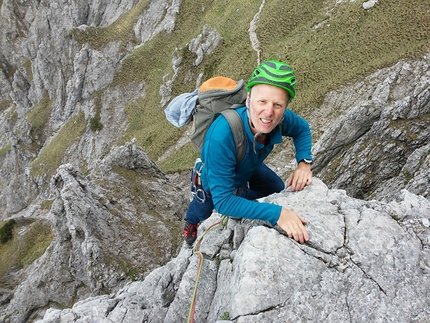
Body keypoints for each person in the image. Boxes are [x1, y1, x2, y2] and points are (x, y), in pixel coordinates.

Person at [183, 60, 313, 246]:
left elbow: (302, 129)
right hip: (218, 173)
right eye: (262, 101)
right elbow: (223, 203)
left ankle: (242, 194)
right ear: (248, 100)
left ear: (285, 107)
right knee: (204, 208)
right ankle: (190, 222)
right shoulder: (221, 136)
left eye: (277, 105)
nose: (268, 112)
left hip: (247, 164)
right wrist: (277, 213)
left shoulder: (282, 118)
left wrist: (304, 164)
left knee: (276, 187)